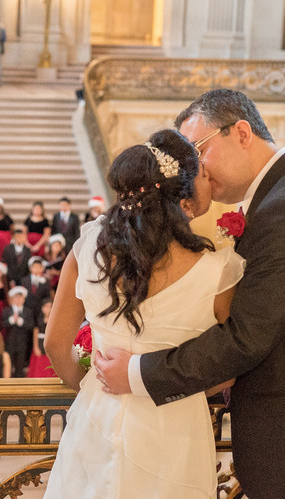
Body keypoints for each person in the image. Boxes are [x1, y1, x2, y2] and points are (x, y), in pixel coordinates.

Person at [94, 90, 285, 498]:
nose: (194, 167)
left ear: (241, 132)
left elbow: (246, 337)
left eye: (198, 149)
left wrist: (137, 373)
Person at [44, 129, 240, 498]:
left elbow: (55, 343)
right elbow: (232, 362)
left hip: (97, 415)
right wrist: (187, 389)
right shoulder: (218, 272)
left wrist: (92, 387)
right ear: (181, 194)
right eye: (201, 174)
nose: (208, 179)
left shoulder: (88, 247)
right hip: (177, 425)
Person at [1, 286, 33, 377]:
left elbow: (31, 326)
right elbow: (2, 324)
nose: (18, 299)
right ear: (12, 298)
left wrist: (21, 322)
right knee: (8, 365)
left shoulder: (28, 311)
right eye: (16, 297)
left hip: (22, 343)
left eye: (21, 297)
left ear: (24, 298)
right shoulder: (7, 310)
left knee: (20, 366)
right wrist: (11, 320)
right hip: (9, 343)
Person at [27, 300, 55, 378]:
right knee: (39, 362)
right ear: (42, 308)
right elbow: (35, 333)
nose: (48, 309)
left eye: (50, 307)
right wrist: (35, 347)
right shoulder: (38, 319)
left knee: (48, 362)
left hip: (49, 342)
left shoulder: (54, 320)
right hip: (40, 342)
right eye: (46, 307)